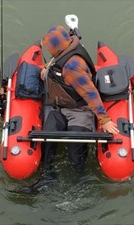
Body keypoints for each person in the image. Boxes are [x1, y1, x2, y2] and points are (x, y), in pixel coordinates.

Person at [40, 25, 119, 175]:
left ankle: (78, 174)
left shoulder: (72, 68)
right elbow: (55, 61)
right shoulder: (68, 46)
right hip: (60, 108)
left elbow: (91, 94)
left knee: (75, 149)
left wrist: (104, 120)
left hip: (80, 110)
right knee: (47, 136)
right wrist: (47, 69)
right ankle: (47, 173)